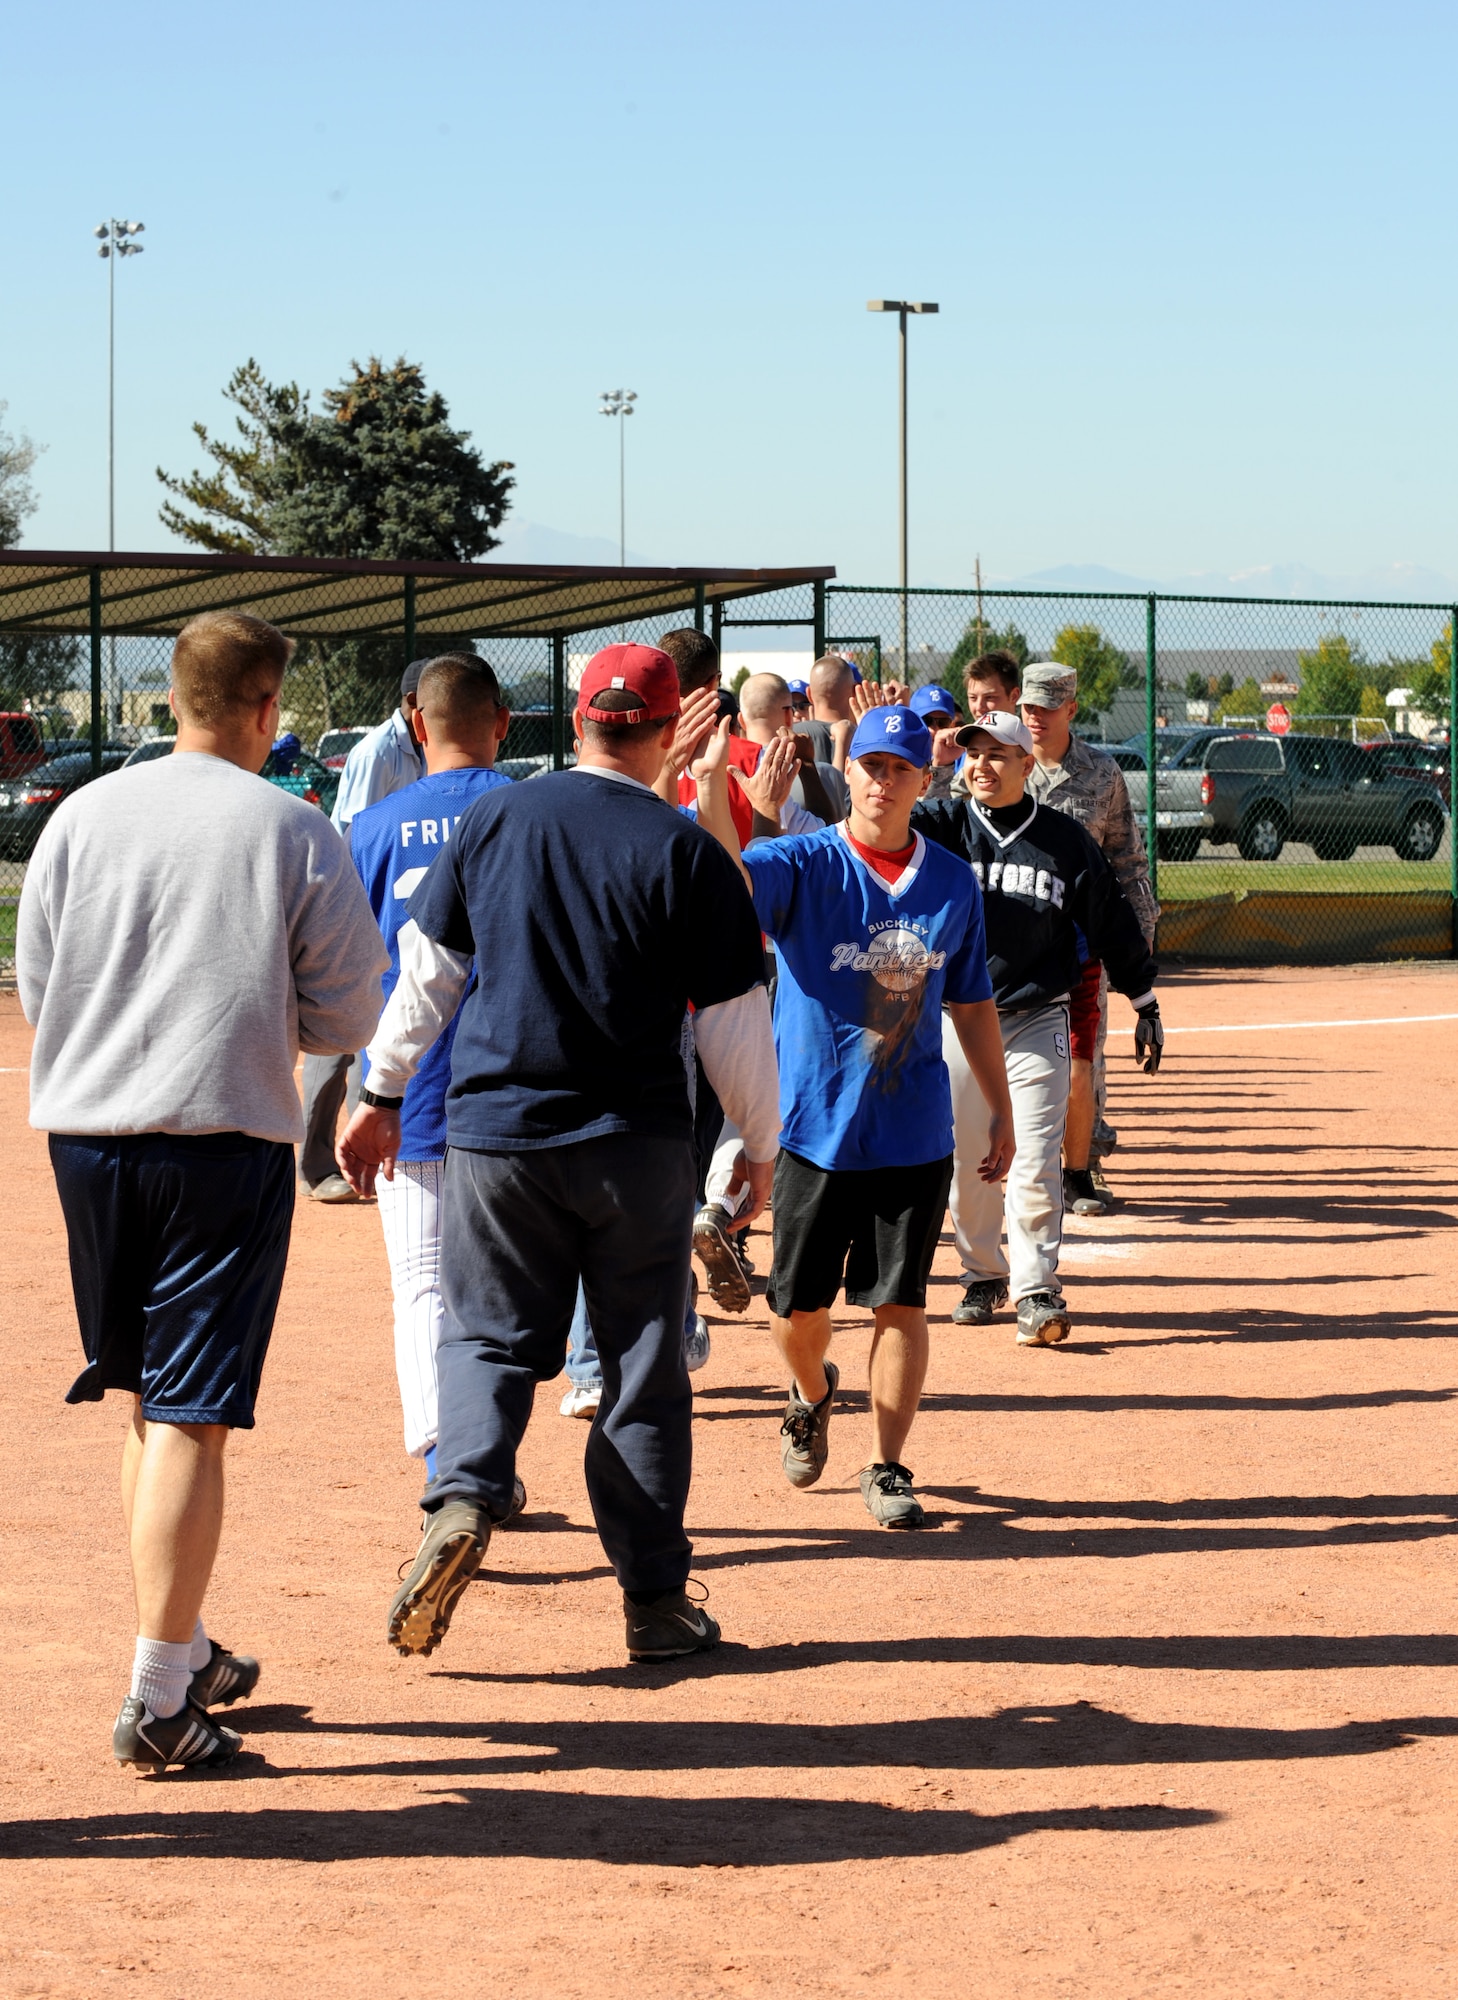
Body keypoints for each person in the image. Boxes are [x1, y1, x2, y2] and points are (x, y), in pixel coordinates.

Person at [335, 643, 781, 1664]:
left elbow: (428, 979)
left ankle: (461, 1497)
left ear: (574, 723)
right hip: (637, 1145)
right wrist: (757, 1143)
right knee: (638, 1369)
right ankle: (656, 1601)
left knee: (485, 1338)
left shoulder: (496, 819)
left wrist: (377, 1091)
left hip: (497, 1138)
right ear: (670, 734)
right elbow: (732, 1020)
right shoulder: (685, 850)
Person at [17, 610, 386, 1774]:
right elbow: (352, 1010)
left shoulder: (80, 812)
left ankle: (181, 1641)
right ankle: (161, 1693)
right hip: (219, 1136)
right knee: (192, 1414)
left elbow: (36, 974)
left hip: (84, 1132)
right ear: (270, 709)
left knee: (144, 1397)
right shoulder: (292, 823)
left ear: (172, 698)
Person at [694, 706, 1015, 1531]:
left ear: (923, 778)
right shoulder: (803, 860)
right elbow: (723, 892)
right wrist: (711, 796)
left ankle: (890, 1465)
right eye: (869, 765)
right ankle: (811, 1391)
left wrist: (999, 1104)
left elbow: (974, 1003)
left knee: (900, 1304)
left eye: (899, 768)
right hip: (810, 1130)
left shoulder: (950, 880)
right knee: (797, 1316)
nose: (881, 780)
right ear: (851, 771)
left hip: (912, 1133)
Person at [910, 708, 1162, 1345]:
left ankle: (1036, 1288)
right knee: (971, 1160)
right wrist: (925, 767)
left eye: (999, 754)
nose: (982, 764)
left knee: (1033, 1159)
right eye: (974, 753)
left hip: (1035, 1019)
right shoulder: (938, 824)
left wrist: (1144, 997)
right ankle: (981, 1273)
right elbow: (873, 826)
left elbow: (1108, 919)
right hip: (959, 1022)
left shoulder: (1063, 840)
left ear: (1028, 765)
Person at [346, 653, 512, 1477]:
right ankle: (489, 1448)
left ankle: (447, 1460)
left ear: (417, 724)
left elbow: (345, 965)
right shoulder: (530, 809)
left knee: (420, 1286)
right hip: (516, 1082)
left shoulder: (371, 828)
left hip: (406, 1083)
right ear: (503, 723)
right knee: (503, 1292)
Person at [1018, 663, 1159, 1212]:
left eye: (1047, 707)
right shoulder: (1004, 762)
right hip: (1014, 940)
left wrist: (1139, 935)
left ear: (1071, 709)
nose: (1035, 716)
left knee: (1086, 1057)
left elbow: (1127, 858)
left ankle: (1084, 1165)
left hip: (1081, 941)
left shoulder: (1102, 774)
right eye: (1029, 706)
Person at [301, 658, 430, 1204]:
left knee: (381, 1031)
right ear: (409, 707)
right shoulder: (377, 751)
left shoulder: (425, 746)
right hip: (352, 900)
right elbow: (354, 836)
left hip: (400, 906)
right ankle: (312, 1166)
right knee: (337, 1042)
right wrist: (357, 921)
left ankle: (362, 1156)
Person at [737, 671, 848, 824]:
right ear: (789, 715)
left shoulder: (724, 771)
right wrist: (807, 765)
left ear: (741, 720)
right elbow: (833, 837)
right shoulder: (825, 774)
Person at [926, 649, 1022, 801]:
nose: (979, 707)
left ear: (1014, 695)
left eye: (989, 697)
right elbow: (938, 816)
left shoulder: (1031, 745)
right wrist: (942, 766)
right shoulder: (962, 748)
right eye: (972, 698)